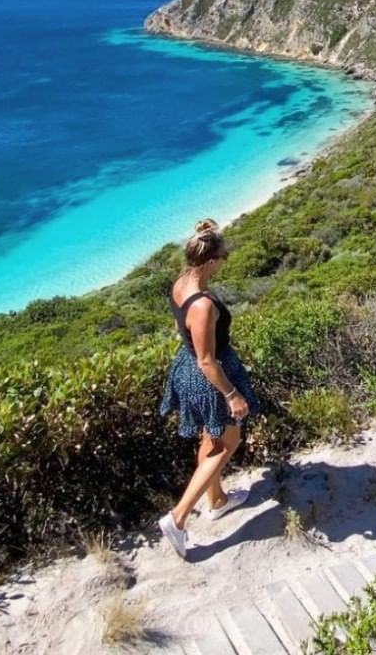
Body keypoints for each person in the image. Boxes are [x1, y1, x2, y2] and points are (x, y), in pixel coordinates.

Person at [158, 219, 259, 560]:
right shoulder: (202, 304)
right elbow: (206, 359)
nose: (226, 259)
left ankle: (216, 501)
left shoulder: (181, 282)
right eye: (224, 255)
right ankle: (178, 518)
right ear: (211, 261)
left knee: (211, 438)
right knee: (227, 443)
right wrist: (232, 395)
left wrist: (209, 232)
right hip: (208, 377)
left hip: (188, 369)